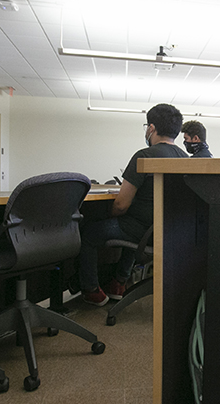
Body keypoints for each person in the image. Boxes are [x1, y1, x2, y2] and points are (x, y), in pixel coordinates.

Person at [79, 104, 187, 306]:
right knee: (133, 229)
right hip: (170, 231)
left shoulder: (144, 156)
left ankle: (92, 290)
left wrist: (109, 215)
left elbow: (121, 205)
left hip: (140, 229)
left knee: (89, 233)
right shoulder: (186, 159)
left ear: (151, 128)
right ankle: (118, 283)